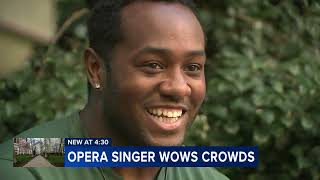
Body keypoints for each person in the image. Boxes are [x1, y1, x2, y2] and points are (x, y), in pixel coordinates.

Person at [0, 0, 229, 179]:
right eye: (153, 65)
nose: (178, 88)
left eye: (192, 67)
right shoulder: (25, 164)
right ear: (96, 68)